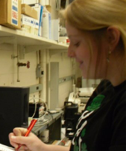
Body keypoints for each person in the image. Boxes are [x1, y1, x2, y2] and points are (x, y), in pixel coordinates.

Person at [9, 0, 126, 150]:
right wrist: (39, 147)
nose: (70, 53)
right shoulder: (107, 86)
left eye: (76, 43)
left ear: (111, 38)